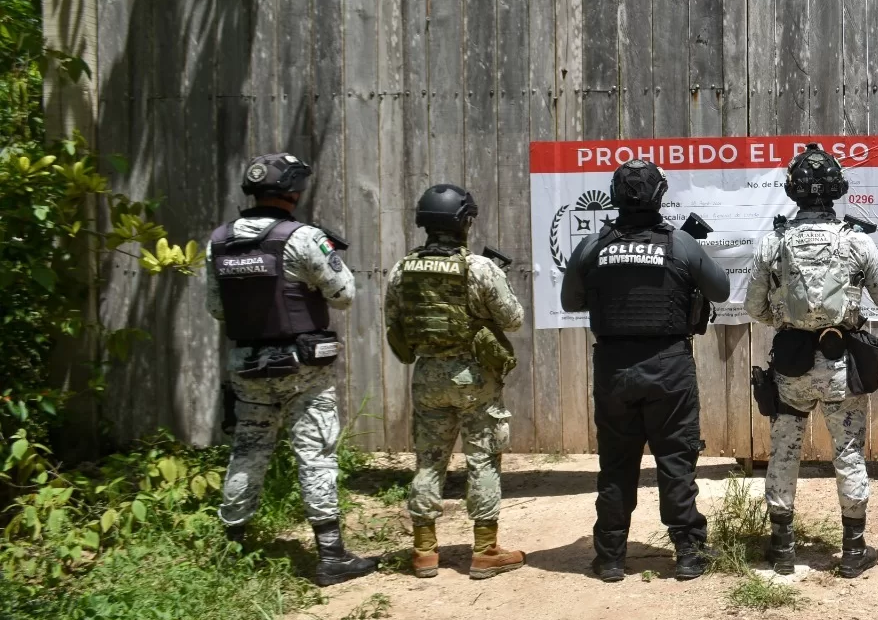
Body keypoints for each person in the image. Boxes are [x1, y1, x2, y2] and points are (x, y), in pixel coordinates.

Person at [208, 152, 376, 587]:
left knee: (248, 451)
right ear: (294, 192)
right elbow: (343, 294)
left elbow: (216, 308)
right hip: (302, 366)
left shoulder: (219, 241)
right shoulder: (302, 238)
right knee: (316, 453)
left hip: (247, 365)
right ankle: (331, 554)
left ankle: (232, 547)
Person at [560, 159, 731, 582]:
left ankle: (611, 558)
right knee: (676, 458)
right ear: (660, 195)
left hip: (614, 368)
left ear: (615, 196)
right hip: (668, 365)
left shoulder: (591, 246)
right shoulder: (681, 244)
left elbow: (570, 302)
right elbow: (722, 290)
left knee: (616, 463)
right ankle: (688, 554)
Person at [745, 144, 878, 579]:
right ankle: (853, 551)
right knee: (848, 452)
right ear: (836, 190)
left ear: (792, 190)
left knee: (783, 453)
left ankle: (782, 550)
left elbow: (754, 309)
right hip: (839, 367)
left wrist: (785, 313)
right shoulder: (855, 240)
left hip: (791, 367)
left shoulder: (774, 242)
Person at [385, 184, 526, 580]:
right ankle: (485, 551)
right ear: (464, 222)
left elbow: (394, 322)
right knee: (482, 458)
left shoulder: (401, 269)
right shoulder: (479, 268)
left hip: (427, 375)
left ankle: (424, 551)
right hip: (474, 375)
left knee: (429, 460)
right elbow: (512, 319)